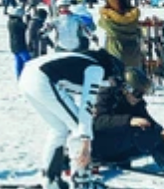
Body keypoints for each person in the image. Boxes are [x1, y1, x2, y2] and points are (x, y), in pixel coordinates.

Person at [18, 47, 123, 189]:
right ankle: (81, 180)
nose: (110, 84)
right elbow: (86, 105)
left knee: (59, 128)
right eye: (113, 80)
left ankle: (50, 180)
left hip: (27, 77)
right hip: (42, 79)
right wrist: (86, 143)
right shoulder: (97, 69)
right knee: (78, 128)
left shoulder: (82, 61)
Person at [92, 66, 164, 177]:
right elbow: (99, 122)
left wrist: (162, 132)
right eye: (137, 94)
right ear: (126, 89)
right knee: (142, 134)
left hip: (120, 146)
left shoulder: (136, 102)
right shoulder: (106, 95)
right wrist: (129, 120)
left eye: (142, 94)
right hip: (101, 148)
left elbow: (149, 121)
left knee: (153, 133)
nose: (139, 98)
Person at [98, 0, 142, 68]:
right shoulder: (133, 18)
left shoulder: (107, 20)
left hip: (114, 52)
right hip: (133, 52)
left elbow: (100, 23)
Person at [8, 6, 30, 78]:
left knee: (18, 62)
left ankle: (19, 77)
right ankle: (27, 76)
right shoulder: (16, 22)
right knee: (28, 61)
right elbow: (25, 27)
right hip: (20, 45)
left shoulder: (10, 21)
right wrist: (28, 18)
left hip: (13, 45)